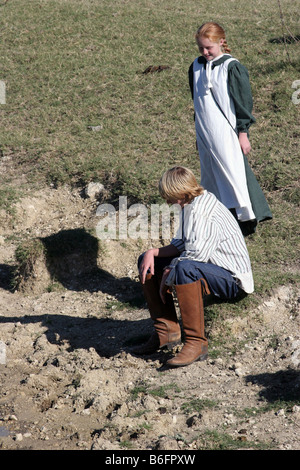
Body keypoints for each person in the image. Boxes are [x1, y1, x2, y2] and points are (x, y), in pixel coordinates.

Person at [134, 166, 254, 367]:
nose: (167, 201)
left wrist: (169, 272)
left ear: (182, 192)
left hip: (232, 280)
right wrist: (152, 253)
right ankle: (166, 332)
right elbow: (181, 244)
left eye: (170, 196)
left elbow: (197, 256)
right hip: (208, 267)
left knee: (183, 268)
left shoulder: (202, 211)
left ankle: (196, 343)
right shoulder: (189, 205)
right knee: (148, 262)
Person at [189, 22, 272, 236]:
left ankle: (246, 219)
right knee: (210, 175)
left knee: (233, 173)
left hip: (226, 131)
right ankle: (220, 218)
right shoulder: (195, 67)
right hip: (205, 131)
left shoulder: (231, 67)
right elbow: (197, 102)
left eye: (210, 48)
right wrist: (198, 135)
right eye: (201, 48)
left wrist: (243, 133)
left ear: (221, 42)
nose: (205, 52)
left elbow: (243, 102)